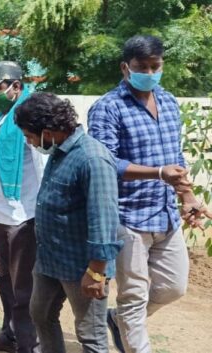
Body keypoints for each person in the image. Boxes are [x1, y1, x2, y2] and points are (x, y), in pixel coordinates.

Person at [87, 35, 210, 353]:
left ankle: (120, 321)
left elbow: (175, 158)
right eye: (143, 67)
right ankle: (136, 343)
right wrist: (157, 173)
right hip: (128, 217)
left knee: (173, 287)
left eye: (156, 66)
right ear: (126, 68)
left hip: (165, 213)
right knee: (134, 294)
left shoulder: (168, 102)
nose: (150, 73)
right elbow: (106, 163)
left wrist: (188, 198)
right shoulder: (108, 107)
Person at [16, 92, 122, 353]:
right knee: (40, 314)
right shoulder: (60, 151)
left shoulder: (91, 159)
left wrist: (97, 272)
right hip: (50, 260)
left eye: (30, 136)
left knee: (90, 335)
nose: (29, 142)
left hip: (82, 267)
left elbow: (104, 218)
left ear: (49, 131)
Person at [0, 62, 44, 353]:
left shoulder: (30, 115)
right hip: (2, 217)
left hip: (23, 217)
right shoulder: (4, 117)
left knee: (23, 287)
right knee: (6, 281)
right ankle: (9, 333)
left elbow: (41, 166)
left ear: (16, 86)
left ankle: (29, 345)